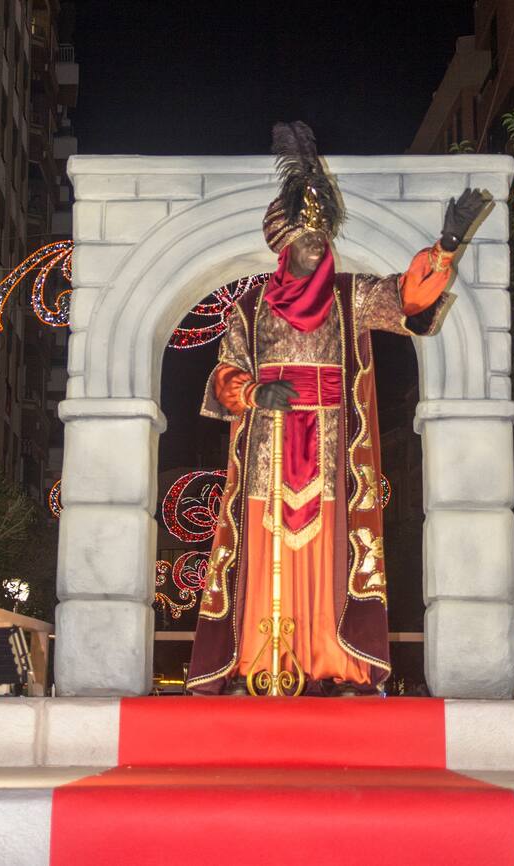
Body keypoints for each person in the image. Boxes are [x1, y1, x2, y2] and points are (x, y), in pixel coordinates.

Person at [187, 122, 490, 695]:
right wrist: (254, 393)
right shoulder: (250, 307)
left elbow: (407, 297)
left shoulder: (350, 297)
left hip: (332, 455)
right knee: (264, 550)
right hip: (266, 452)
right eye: (307, 235)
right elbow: (224, 375)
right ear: (282, 244)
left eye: (323, 234)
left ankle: (335, 662)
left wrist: (446, 247)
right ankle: (257, 660)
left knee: (329, 557)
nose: (319, 243)